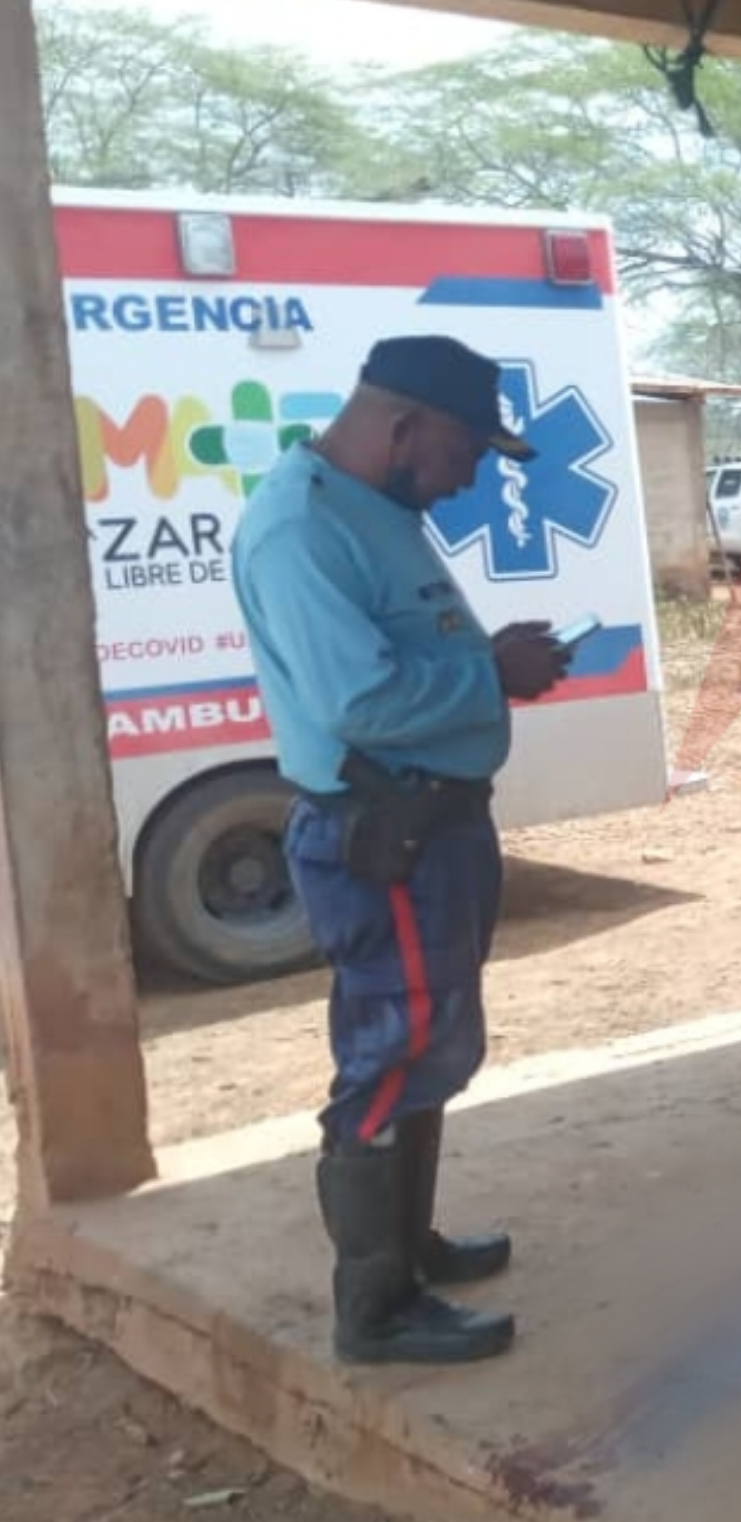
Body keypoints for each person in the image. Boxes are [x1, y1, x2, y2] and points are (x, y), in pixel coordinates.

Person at [232, 336, 574, 1369]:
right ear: (402, 427)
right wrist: (493, 675)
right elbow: (360, 701)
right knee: (392, 1051)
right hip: (387, 833)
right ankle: (375, 1305)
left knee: (427, 1041)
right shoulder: (303, 526)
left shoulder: (369, 508)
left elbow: (401, 655)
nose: (467, 477)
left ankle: (407, 1245)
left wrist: (482, 660)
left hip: (432, 826)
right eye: (464, 451)